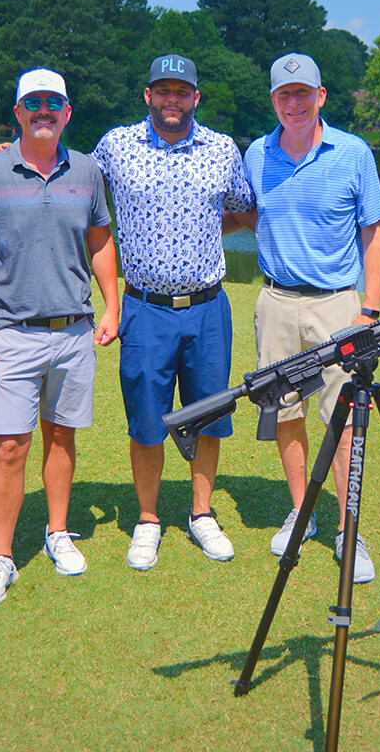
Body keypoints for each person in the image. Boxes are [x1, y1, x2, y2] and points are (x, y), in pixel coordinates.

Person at [0, 68, 119, 606]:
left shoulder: (88, 171)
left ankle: (56, 533)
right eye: (34, 103)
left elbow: (99, 241)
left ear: (67, 112)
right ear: (18, 112)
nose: (43, 111)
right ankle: (2, 556)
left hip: (73, 330)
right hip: (12, 333)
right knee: (9, 446)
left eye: (54, 103)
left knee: (63, 436)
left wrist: (112, 303)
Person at [92, 54, 255, 570]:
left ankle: (201, 514)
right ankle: (147, 519)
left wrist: (205, 230)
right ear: (147, 95)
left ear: (195, 98)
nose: (171, 100)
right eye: (162, 90)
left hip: (207, 308)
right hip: (144, 309)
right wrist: (11, 152)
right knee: (147, 420)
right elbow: (70, 187)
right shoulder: (116, 146)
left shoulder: (222, 149)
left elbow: (247, 209)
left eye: (181, 91)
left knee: (210, 414)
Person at [235, 53, 380, 583]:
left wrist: (368, 309)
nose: (294, 103)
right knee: (285, 409)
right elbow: (236, 209)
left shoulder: (352, 153)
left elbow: (374, 231)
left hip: (337, 304)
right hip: (276, 301)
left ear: (321, 96)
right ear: (273, 101)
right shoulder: (256, 153)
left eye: (303, 94)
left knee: (343, 417)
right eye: (284, 95)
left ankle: (350, 529)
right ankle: (302, 510)